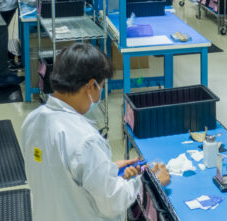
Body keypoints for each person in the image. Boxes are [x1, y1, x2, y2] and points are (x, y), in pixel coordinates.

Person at [21, 43, 170, 221]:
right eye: (101, 86)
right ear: (90, 86)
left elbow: (59, 171)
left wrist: (108, 168)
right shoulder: (85, 139)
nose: (100, 93)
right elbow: (112, 202)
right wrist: (152, 183)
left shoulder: (33, 120)